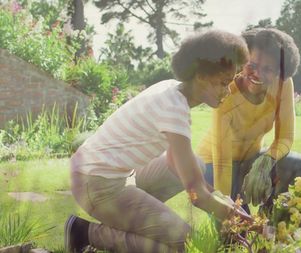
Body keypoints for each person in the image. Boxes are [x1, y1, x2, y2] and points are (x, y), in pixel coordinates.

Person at [64, 30, 251, 253]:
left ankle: (132, 224)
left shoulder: (172, 89)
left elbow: (175, 164)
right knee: (186, 243)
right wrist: (231, 216)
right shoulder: (173, 109)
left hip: (110, 174)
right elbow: (195, 194)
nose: (227, 91)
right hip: (97, 185)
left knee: (196, 165)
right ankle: (84, 234)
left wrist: (218, 198)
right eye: (223, 82)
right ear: (200, 75)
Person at [196, 28, 301, 213]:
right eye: (251, 65)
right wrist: (226, 209)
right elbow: (222, 163)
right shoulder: (226, 87)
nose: (257, 74)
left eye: (268, 69)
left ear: (279, 72)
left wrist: (266, 161)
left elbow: (285, 137)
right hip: (213, 164)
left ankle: (271, 226)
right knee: (236, 227)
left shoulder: (283, 84)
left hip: (251, 160)